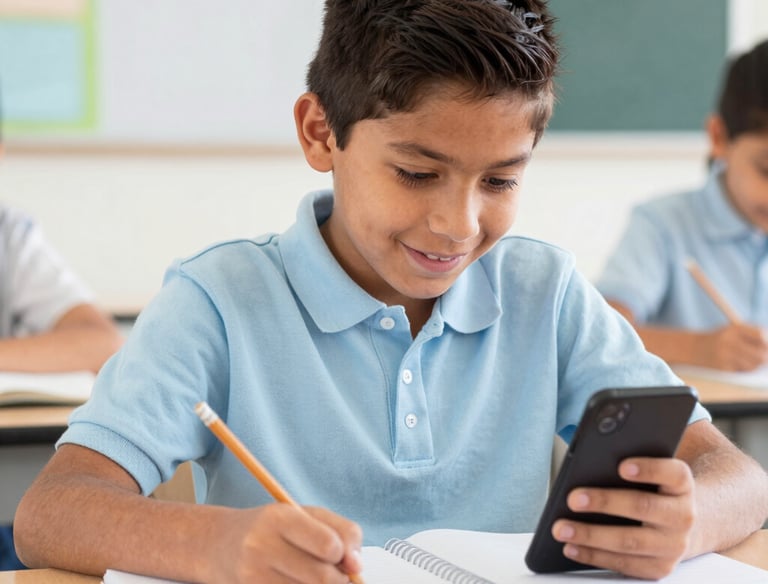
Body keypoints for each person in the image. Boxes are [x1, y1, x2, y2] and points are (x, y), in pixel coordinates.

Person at [13, 2, 768, 582]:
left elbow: (740, 478)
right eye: (415, 173)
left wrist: (691, 517)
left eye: (501, 180)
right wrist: (221, 545)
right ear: (320, 133)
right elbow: (49, 513)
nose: (458, 224)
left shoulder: (546, 290)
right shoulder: (218, 298)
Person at [596, 39, 768, 372]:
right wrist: (699, 348)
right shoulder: (663, 224)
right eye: (767, 170)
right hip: (700, 420)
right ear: (719, 137)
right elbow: (601, 331)